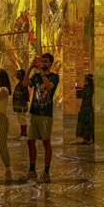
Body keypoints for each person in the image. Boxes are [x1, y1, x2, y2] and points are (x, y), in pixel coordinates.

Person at [26, 53, 59, 182]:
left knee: (46, 142)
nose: (44, 64)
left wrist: (41, 71)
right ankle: (32, 170)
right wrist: (30, 68)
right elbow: (25, 83)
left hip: (46, 114)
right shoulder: (36, 77)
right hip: (35, 112)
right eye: (42, 61)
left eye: (46, 62)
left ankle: (46, 172)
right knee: (30, 141)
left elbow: (48, 86)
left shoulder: (54, 77)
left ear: (51, 63)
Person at [76, 74, 95, 144]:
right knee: (88, 122)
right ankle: (90, 137)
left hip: (86, 107)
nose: (84, 81)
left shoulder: (87, 87)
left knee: (86, 123)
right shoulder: (90, 87)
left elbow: (81, 95)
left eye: (86, 80)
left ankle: (87, 138)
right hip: (87, 107)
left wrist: (78, 91)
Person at [12, 69, 29, 138]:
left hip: (22, 106)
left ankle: (24, 134)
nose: (17, 75)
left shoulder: (23, 84)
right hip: (19, 106)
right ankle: (22, 133)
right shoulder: (20, 83)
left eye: (19, 73)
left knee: (22, 119)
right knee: (21, 119)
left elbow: (26, 93)